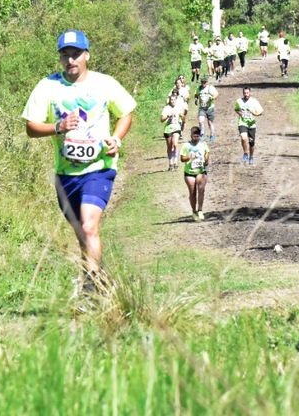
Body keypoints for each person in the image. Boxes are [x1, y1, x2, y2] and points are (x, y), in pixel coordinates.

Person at [22, 29, 136, 293]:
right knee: (82, 234)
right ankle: (96, 276)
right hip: (66, 174)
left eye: (76, 54)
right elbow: (30, 127)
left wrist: (117, 138)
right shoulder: (47, 86)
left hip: (99, 168)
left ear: (87, 56)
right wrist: (57, 127)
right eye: (65, 55)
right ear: (60, 58)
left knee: (89, 225)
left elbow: (126, 113)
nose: (70, 60)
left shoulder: (104, 83)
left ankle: (91, 286)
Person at [180, 126, 210, 221]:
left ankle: (200, 210)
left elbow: (207, 153)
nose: (195, 138)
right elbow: (182, 158)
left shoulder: (203, 144)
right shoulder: (186, 145)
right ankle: (194, 211)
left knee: (201, 189)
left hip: (201, 170)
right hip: (189, 172)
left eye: (197, 136)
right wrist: (189, 157)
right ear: (191, 135)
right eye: (194, 136)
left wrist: (206, 159)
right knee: (192, 192)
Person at [234, 86, 264, 165]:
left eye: (247, 93)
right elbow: (236, 109)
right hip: (242, 123)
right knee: (243, 137)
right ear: (243, 93)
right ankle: (245, 153)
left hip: (251, 125)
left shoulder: (254, 101)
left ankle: (251, 157)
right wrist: (240, 113)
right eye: (244, 93)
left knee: (251, 142)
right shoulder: (239, 101)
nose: (246, 94)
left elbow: (261, 111)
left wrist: (255, 113)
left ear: (250, 93)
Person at [160, 92, 184, 170]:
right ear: (169, 100)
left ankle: (176, 162)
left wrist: (181, 115)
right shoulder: (166, 108)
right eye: (171, 100)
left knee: (175, 144)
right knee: (169, 146)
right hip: (168, 128)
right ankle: (170, 163)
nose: (172, 101)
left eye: (174, 100)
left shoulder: (178, 107)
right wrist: (168, 116)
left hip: (176, 127)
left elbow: (183, 116)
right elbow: (161, 119)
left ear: (176, 100)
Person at [195, 75, 219, 142]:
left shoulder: (210, 88)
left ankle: (212, 135)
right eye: (202, 82)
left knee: (210, 123)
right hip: (202, 108)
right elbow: (196, 95)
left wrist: (211, 98)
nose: (203, 84)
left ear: (207, 82)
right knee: (201, 121)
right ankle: (202, 134)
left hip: (210, 108)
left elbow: (216, 94)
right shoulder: (199, 88)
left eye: (205, 82)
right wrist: (196, 100)